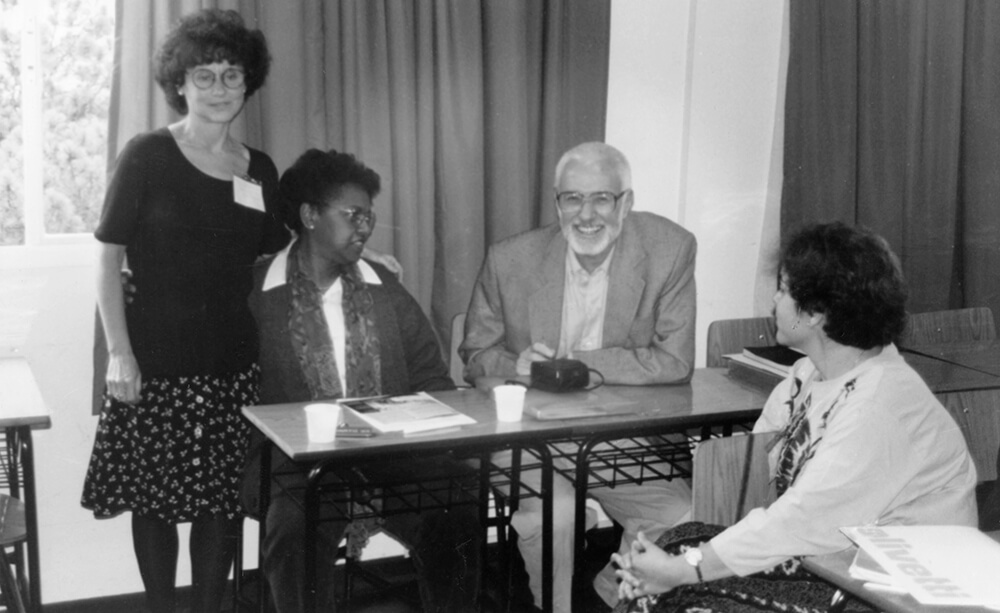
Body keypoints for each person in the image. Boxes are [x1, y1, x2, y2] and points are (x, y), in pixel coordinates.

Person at [613, 222, 978, 613]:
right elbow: (758, 479)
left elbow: (799, 520)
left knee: (689, 598)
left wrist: (683, 570)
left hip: (901, 589)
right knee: (681, 540)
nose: (774, 301)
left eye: (784, 289)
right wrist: (672, 562)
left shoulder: (882, 404)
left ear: (816, 312)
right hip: (836, 558)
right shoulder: (806, 375)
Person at [80, 10, 288, 613]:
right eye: (204, 75)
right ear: (181, 83)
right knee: (155, 501)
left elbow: (278, 250)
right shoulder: (147, 154)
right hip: (155, 362)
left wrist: (361, 251)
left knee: (220, 502)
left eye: (231, 75)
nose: (219, 88)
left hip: (231, 362)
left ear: (248, 83)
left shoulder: (261, 169)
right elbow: (105, 258)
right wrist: (119, 353)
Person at [460, 142, 697, 612]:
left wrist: (580, 363)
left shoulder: (669, 250)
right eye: (572, 198)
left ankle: (612, 591)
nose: (586, 214)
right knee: (557, 512)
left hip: (605, 431)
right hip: (525, 428)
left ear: (625, 203)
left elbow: (674, 361)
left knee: (680, 514)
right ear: (557, 204)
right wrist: (516, 366)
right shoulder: (511, 259)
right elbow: (475, 356)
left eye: (601, 198)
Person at [241, 148, 481, 612]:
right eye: (353, 215)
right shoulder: (258, 292)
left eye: (369, 217)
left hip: (390, 450)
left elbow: (431, 374)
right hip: (296, 457)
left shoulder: (383, 287)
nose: (365, 229)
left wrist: (443, 426)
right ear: (310, 215)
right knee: (295, 525)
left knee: (455, 504)